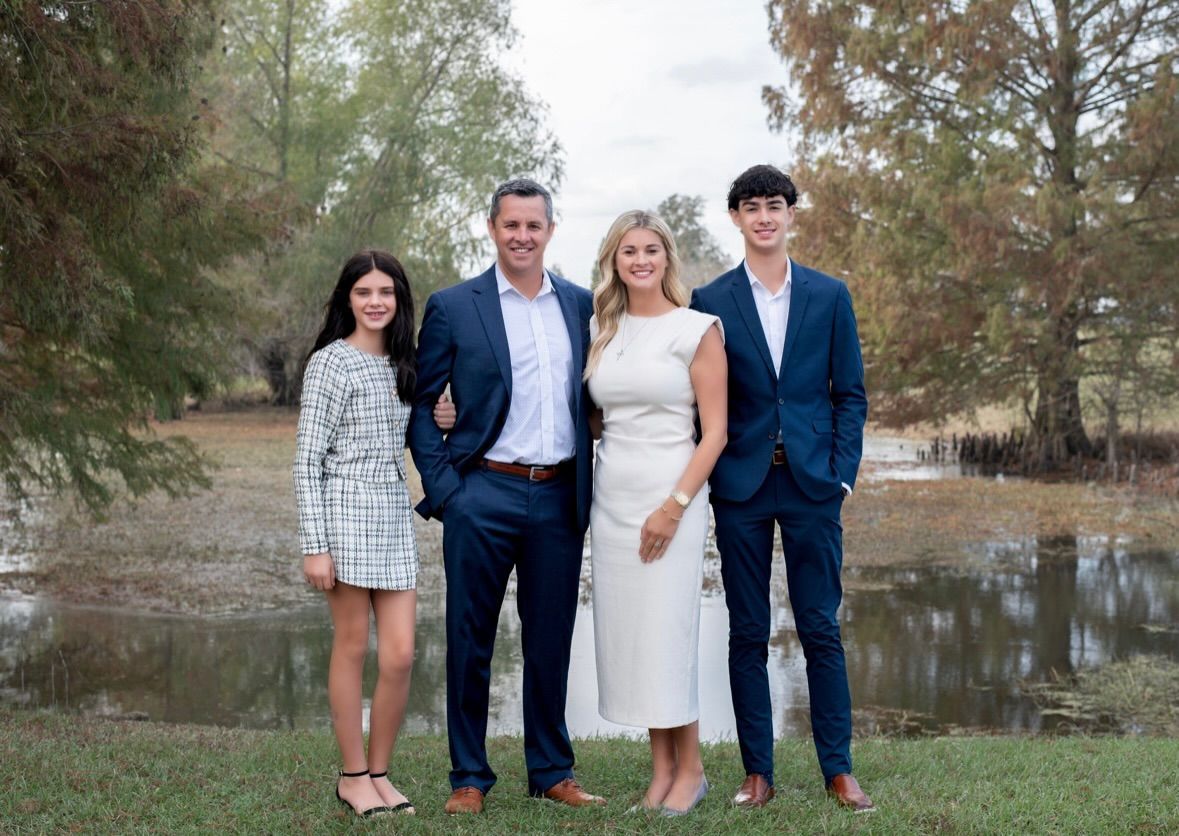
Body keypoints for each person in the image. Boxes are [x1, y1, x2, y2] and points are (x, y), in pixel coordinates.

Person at [407, 178, 604, 815]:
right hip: (481, 492)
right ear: (492, 228)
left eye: (534, 226)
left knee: (551, 639)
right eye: (511, 224)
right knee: (469, 639)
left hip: (558, 496)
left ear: (550, 230)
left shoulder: (581, 305)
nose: (522, 236)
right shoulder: (453, 306)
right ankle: (468, 777)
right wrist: (448, 494)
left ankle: (551, 770)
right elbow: (420, 407)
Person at [690, 165, 874, 812]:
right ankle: (757, 774)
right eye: (750, 206)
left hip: (811, 485)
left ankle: (838, 770)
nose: (763, 216)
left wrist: (842, 473)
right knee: (746, 631)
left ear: (791, 214)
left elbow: (848, 395)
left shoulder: (829, 296)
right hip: (739, 484)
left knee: (820, 626)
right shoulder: (707, 300)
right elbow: (697, 401)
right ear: (735, 218)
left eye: (774, 205)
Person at [585, 210, 727, 816]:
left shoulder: (697, 329)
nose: (639, 260)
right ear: (614, 261)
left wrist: (673, 507)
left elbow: (715, 432)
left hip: (672, 497)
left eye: (650, 249)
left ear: (667, 256)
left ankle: (691, 771)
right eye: (627, 251)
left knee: (669, 633)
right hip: (611, 499)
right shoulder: (602, 327)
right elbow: (596, 417)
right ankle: (661, 769)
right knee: (638, 639)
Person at [292, 250, 420, 818]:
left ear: (399, 300)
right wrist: (314, 545)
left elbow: (412, 430)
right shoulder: (330, 363)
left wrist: (438, 416)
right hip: (344, 515)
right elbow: (306, 461)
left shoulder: (404, 363)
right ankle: (352, 776)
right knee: (351, 646)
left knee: (399, 654)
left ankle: (380, 771)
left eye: (386, 292)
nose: (376, 302)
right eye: (365, 291)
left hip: (393, 516)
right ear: (348, 297)